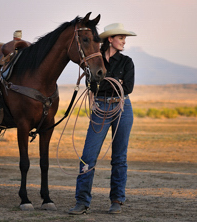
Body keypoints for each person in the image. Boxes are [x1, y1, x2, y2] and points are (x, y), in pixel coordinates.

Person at [69, 23, 136, 215]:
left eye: (124, 38)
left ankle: (116, 200)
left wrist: (103, 83)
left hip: (122, 107)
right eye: (121, 38)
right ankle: (82, 201)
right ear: (110, 39)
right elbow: (92, 84)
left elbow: (128, 87)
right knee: (88, 156)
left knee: (119, 157)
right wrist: (114, 82)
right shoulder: (96, 60)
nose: (124, 42)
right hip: (100, 107)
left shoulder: (127, 61)